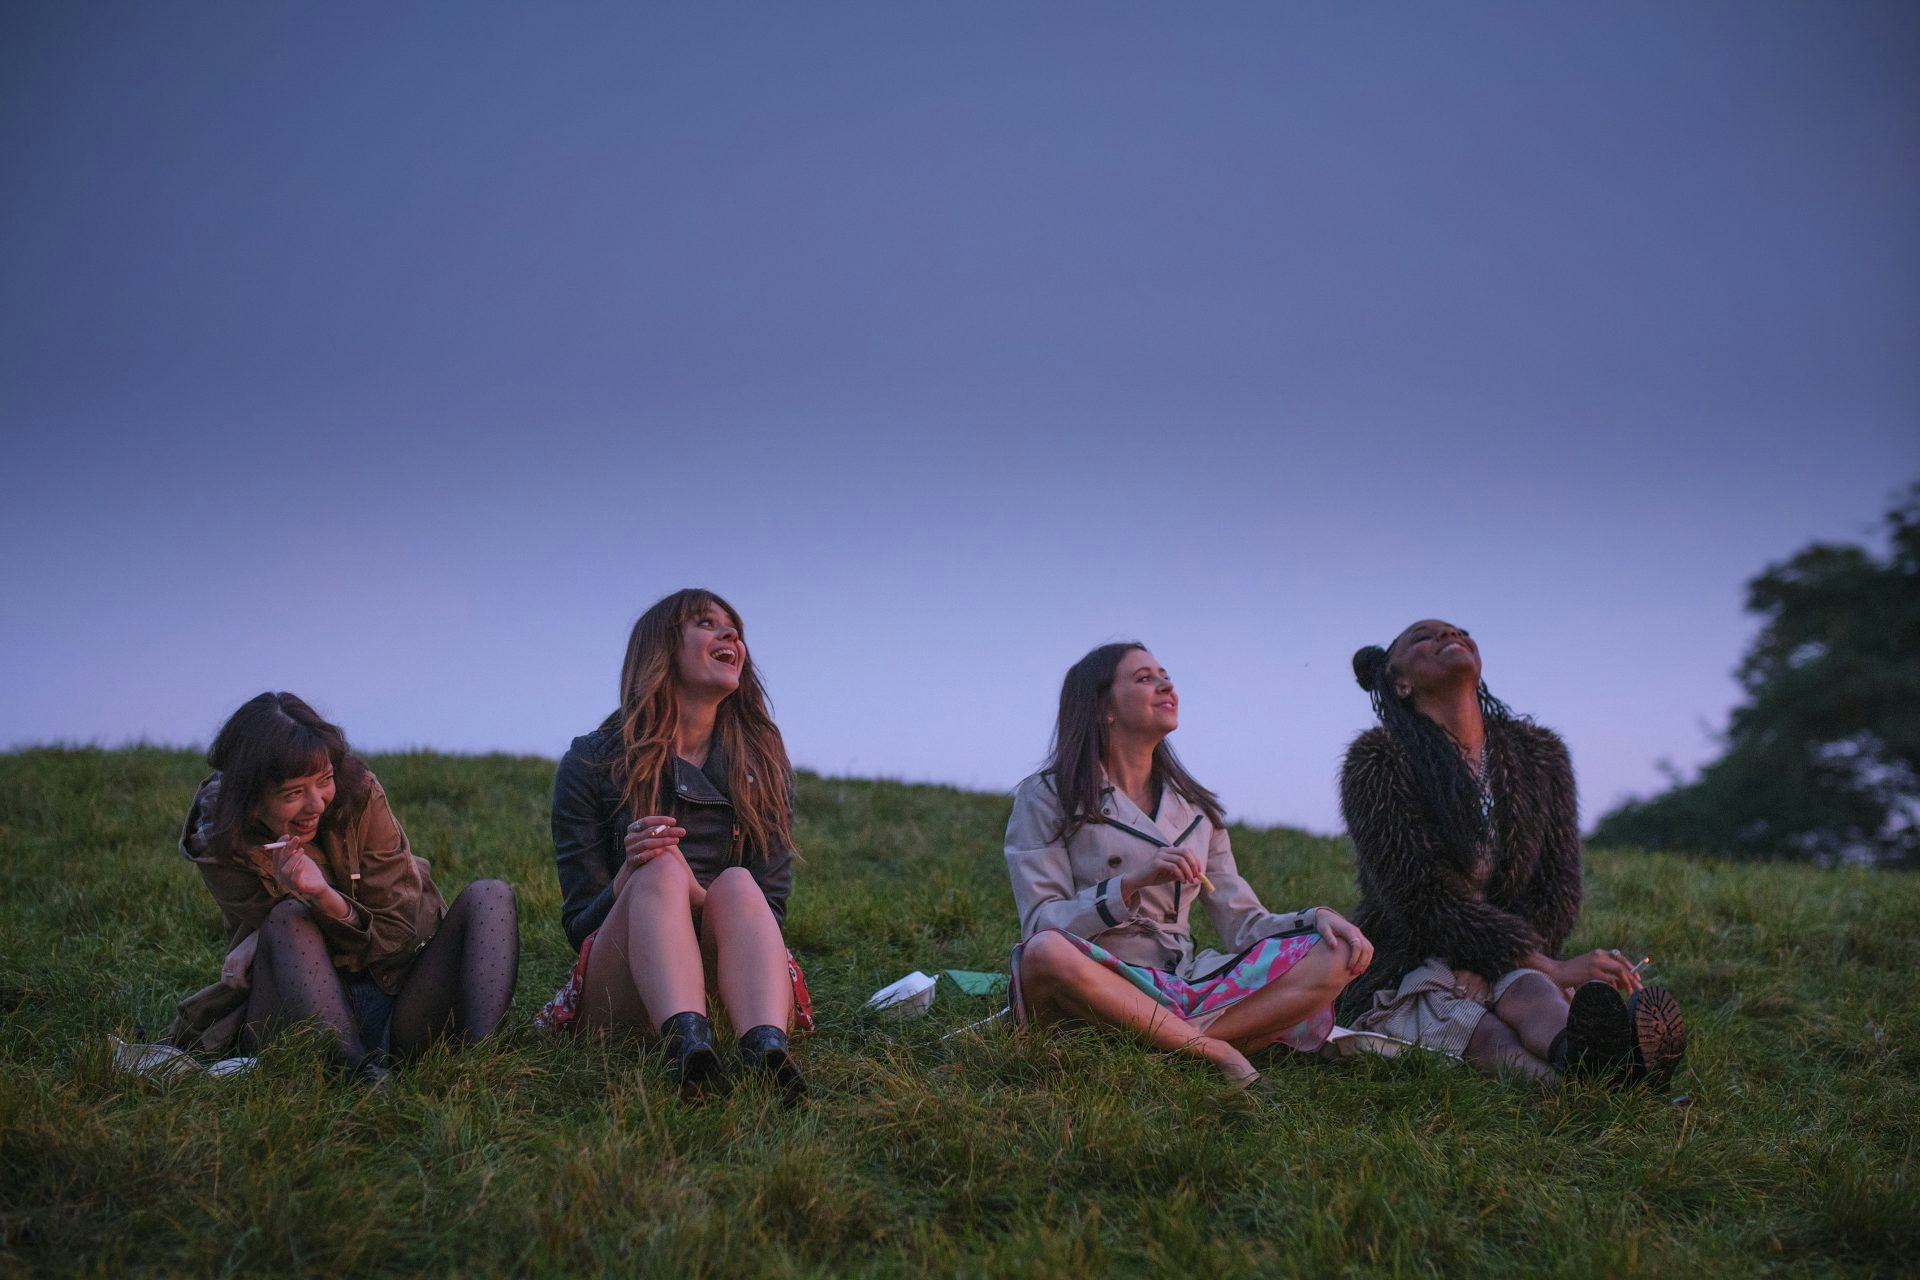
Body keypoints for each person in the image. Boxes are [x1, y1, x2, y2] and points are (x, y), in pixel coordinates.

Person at [1337, 619, 1687, 1088]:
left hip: (1516, 958)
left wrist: (1510, 963)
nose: (1450, 637)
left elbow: (1558, 888)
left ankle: (1595, 1058)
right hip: (1414, 953)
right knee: (1481, 1029)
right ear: (1399, 682)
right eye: (1426, 637)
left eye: (1459, 632)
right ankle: (1583, 1088)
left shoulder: (1540, 754)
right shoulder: (1377, 760)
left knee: (1535, 996)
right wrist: (1545, 962)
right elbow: (1417, 897)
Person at [1004, 642, 1370, 1087]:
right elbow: (1040, 924)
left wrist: (1315, 918)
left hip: (1185, 983)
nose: (1166, 685)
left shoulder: (1198, 812)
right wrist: (1129, 885)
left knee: (1336, 952)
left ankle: (1165, 1041)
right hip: (1099, 977)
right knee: (1042, 954)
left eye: (1164, 675)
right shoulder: (1047, 796)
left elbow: (1243, 924)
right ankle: (1211, 1047)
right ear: (1103, 707)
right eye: (1144, 678)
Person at [539, 588, 811, 1097]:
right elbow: (579, 929)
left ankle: (765, 1048)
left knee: (735, 883)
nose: (730, 634)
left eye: (734, 629)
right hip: (625, 988)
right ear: (661, 648)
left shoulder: (763, 767)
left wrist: (698, 894)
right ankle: (687, 1048)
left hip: (736, 985)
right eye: (707, 623)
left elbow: (768, 915)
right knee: (659, 867)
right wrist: (628, 878)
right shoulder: (593, 762)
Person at [167, 693, 519, 1079]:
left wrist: (322, 897)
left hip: (399, 991)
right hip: (298, 1009)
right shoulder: (220, 837)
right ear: (251, 798)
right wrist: (289, 915)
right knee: (287, 917)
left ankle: (482, 1063)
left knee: (492, 894)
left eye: (324, 781)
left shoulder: (360, 793)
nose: (316, 803)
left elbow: (396, 932)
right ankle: (356, 1075)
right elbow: (290, 944)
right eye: (293, 793)